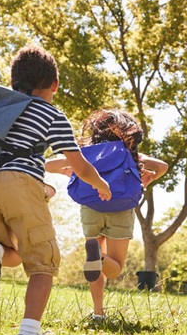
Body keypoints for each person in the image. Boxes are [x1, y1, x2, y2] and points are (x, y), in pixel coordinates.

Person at [0, 45, 111, 335]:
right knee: (43, 263)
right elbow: (80, 164)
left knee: (12, 253)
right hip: (18, 182)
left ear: (13, 79)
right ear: (54, 85)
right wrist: (101, 184)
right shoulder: (50, 113)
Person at [45, 109, 168, 319]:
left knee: (94, 266)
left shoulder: (85, 150)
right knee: (114, 268)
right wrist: (151, 177)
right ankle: (100, 257)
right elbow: (162, 166)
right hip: (121, 206)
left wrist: (70, 169)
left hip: (91, 206)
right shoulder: (130, 152)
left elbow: (49, 164)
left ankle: (98, 312)